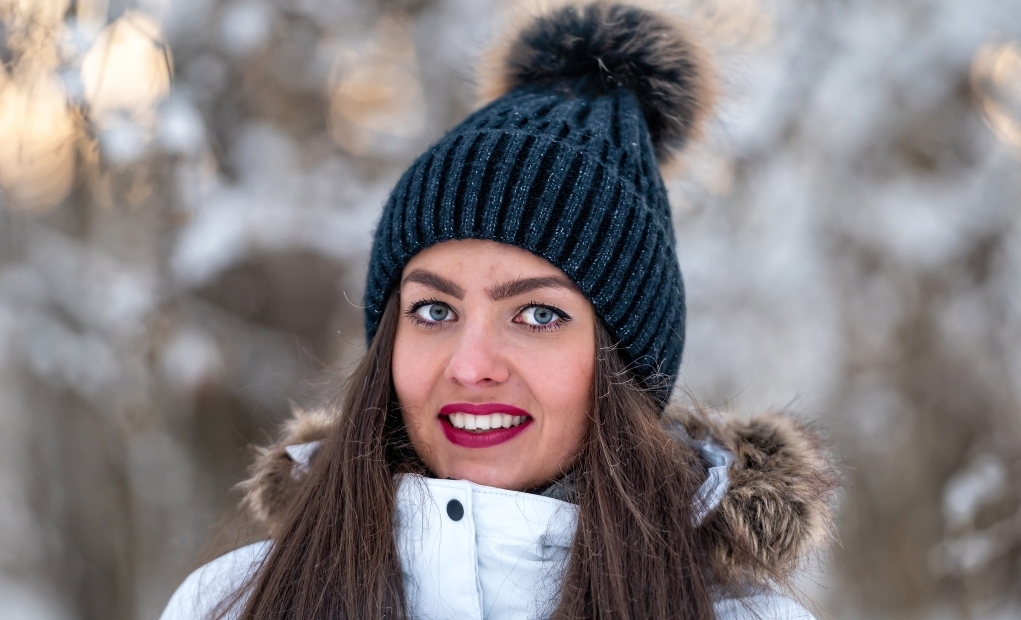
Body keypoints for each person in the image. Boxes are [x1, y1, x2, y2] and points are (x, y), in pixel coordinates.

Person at [161, 2, 838, 619]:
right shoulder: (233, 606)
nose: (471, 365)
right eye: (433, 311)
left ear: (626, 361)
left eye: (538, 315)